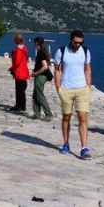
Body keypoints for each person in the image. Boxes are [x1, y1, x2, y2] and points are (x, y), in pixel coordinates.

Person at [54, 29, 93, 159]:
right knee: (66, 118)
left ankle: (84, 147)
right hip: (66, 89)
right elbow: (57, 70)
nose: (78, 45)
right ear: (71, 40)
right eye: (76, 42)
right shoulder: (61, 51)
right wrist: (58, 88)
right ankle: (66, 143)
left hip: (82, 89)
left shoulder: (85, 51)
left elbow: (87, 69)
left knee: (83, 118)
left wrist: (88, 86)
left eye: (80, 43)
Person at [31, 37, 53, 121]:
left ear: (37, 43)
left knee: (39, 95)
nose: (34, 45)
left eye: (35, 43)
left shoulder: (41, 53)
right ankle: (37, 114)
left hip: (41, 76)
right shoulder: (43, 51)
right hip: (41, 75)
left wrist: (35, 73)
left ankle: (48, 114)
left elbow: (45, 66)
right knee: (35, 94)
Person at [9, 34, 30, 114]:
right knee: (22, 90)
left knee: (18, 90)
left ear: (17, 40)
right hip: (24, 71)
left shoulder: (18, 50)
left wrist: (12, 68)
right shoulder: (25, 48)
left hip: (19, 72)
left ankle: (18, 106)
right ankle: (23, 106)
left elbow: (17, 62)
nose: (14, 41)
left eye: (15, 40)